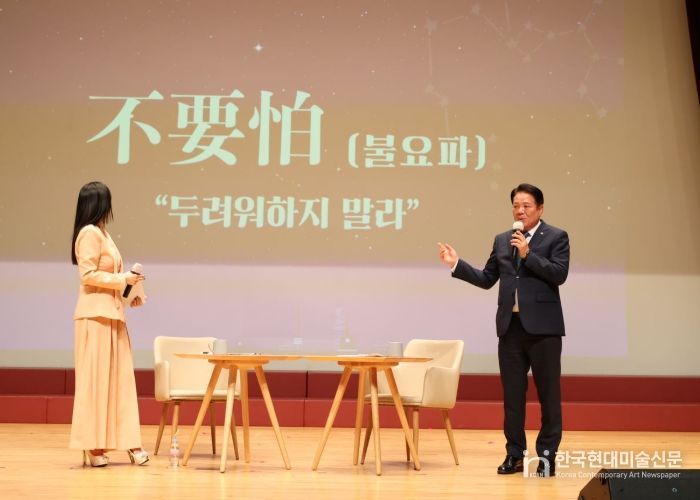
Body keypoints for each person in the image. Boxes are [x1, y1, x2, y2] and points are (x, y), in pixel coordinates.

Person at [438, 183, 569, 477]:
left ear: (540, 209)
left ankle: (547, 458)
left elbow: (559, 274)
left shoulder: (556, 237)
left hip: (544, 331)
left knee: (549, 397)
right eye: (516, 205)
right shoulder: (502, 240)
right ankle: (515, 455)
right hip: (510, 329)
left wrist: (528, 253)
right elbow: (487, 278)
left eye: (526, 206)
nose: (520, 211)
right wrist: (456, 264)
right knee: (512, 398)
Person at [69, 181, 150, 467]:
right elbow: (88, 275)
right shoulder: (88, 233)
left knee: (121, 382)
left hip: (113, 314)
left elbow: (112, 278)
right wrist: (122, 279)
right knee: (95, 382)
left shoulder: (104, 233)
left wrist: (130, 293)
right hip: (94, 317)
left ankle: (130, 442)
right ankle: (93, 446)